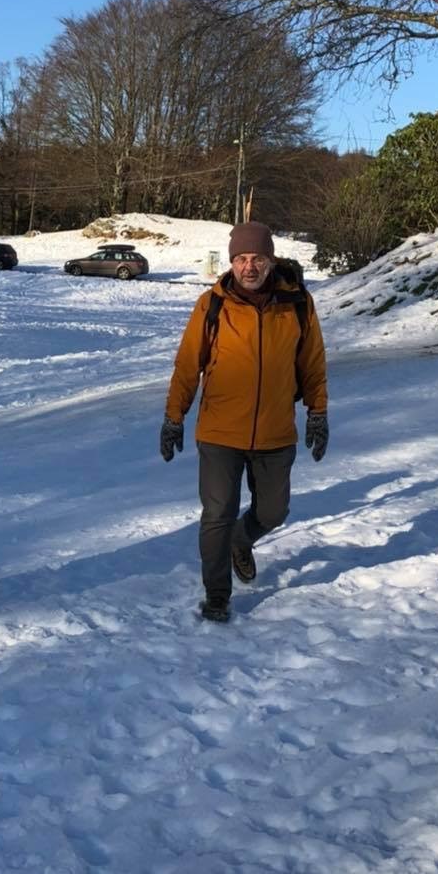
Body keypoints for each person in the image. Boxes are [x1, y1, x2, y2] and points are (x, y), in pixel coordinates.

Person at [160, 222, 328, 622]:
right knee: (217, 514)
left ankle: (241, 539)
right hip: (220, 431)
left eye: (257, 259)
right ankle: (217, 596)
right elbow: (188, 365)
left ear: (270, 260)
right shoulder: (212, 305)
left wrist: (318, 413)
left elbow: (312, 363)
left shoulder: (297, 303)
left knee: (273, 512)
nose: (249, 267)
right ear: (232, 262)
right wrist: (173, 417)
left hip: (275, 431)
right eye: (241, 259)